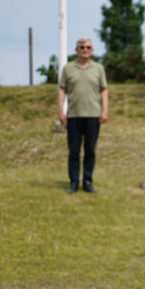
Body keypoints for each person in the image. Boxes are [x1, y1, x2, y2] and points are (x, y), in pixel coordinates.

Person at [58, 38, 109, 194]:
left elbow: (104, 91)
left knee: (90, 150)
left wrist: (104, 111)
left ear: (92, 50)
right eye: (82, 47)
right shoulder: (68, 69)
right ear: (76, 50)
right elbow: (62, 90)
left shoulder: (98, 69)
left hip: (93, 116)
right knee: (74, 150)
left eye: (88, 47)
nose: (85, 50)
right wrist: (61, 111)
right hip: (74, 116)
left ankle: (87, 181)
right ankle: (73, 182)